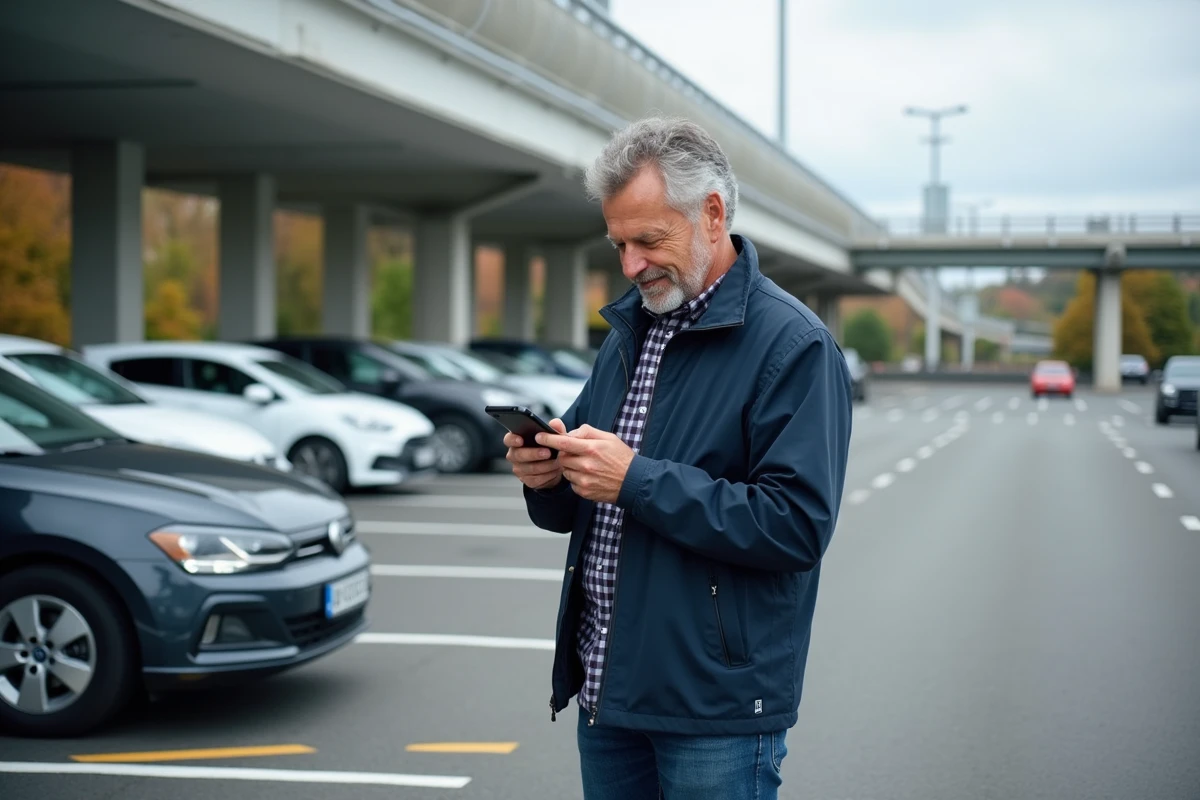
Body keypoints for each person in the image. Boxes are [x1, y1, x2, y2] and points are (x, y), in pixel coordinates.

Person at [505, 116, 853, 800]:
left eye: (648, 240)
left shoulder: (795, 346)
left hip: (713, 709)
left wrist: (634, 479)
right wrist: (545, 476)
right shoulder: (633, 330)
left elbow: (796, 525)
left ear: (713, 214)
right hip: (607, 690)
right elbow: (583, 491)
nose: (631, 264)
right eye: (619, 244)